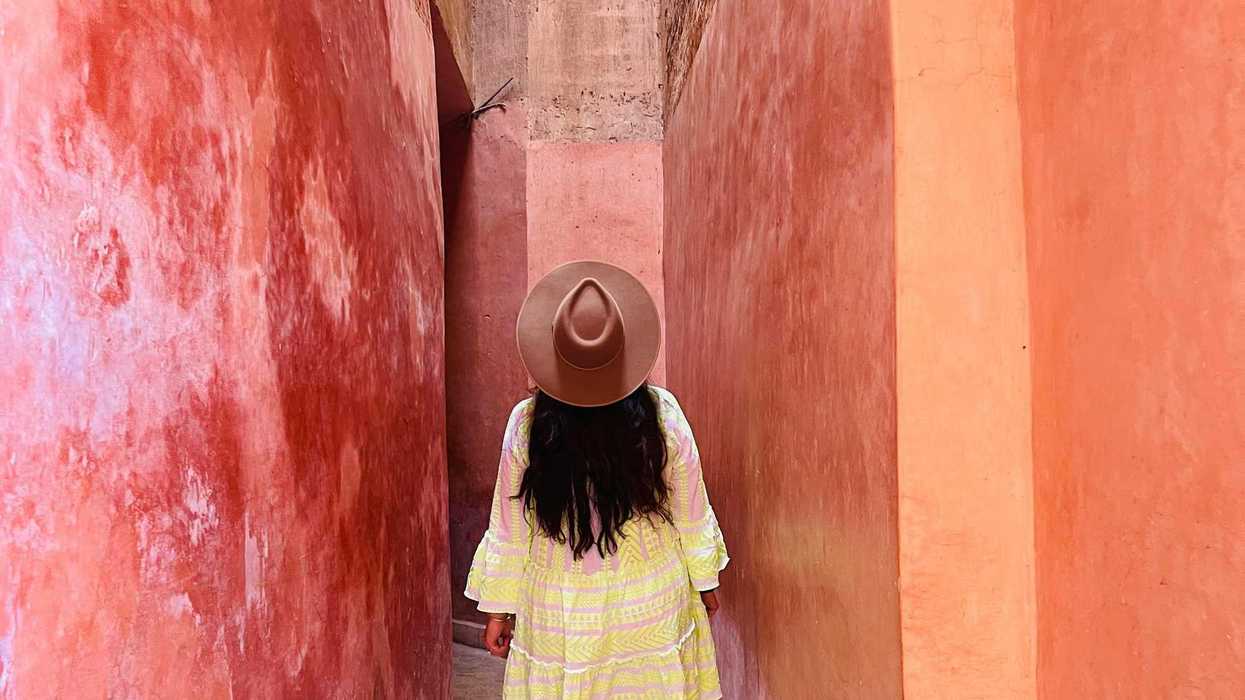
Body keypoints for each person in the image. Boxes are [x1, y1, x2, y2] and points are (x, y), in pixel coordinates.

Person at [465, 260, 729, 699]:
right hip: (648, 602)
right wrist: (706, 583)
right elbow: (690, 510)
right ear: (627, 353)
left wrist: (498, 611)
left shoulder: (527, 425)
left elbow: (510, 527)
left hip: (559, 610)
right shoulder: (663, 415)